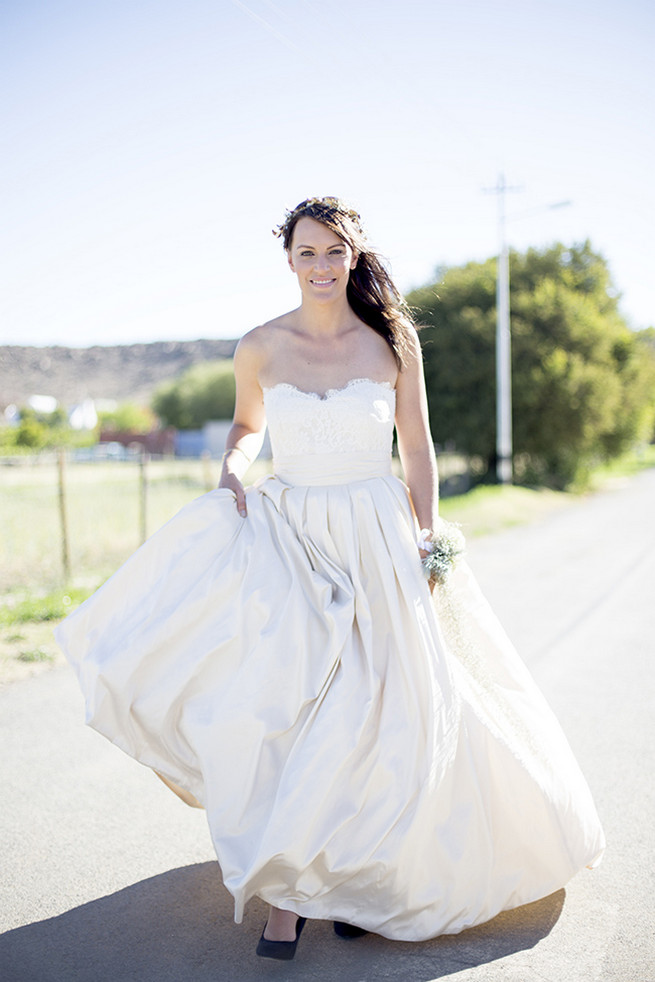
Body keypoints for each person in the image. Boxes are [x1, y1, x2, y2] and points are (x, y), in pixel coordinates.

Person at [56, 196, 605, 962]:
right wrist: (231, 469)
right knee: (292, 704)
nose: (320, 266)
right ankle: (285, 898)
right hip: (289, 536)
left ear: (353, 255)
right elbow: (248, 427)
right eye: (306, 253)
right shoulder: (259, 346)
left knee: (380, 709)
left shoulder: (391, 342)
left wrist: (426, 541)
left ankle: (358, 882)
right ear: (288, 260)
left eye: (333, 251)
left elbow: (415, 448)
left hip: (377, 536)